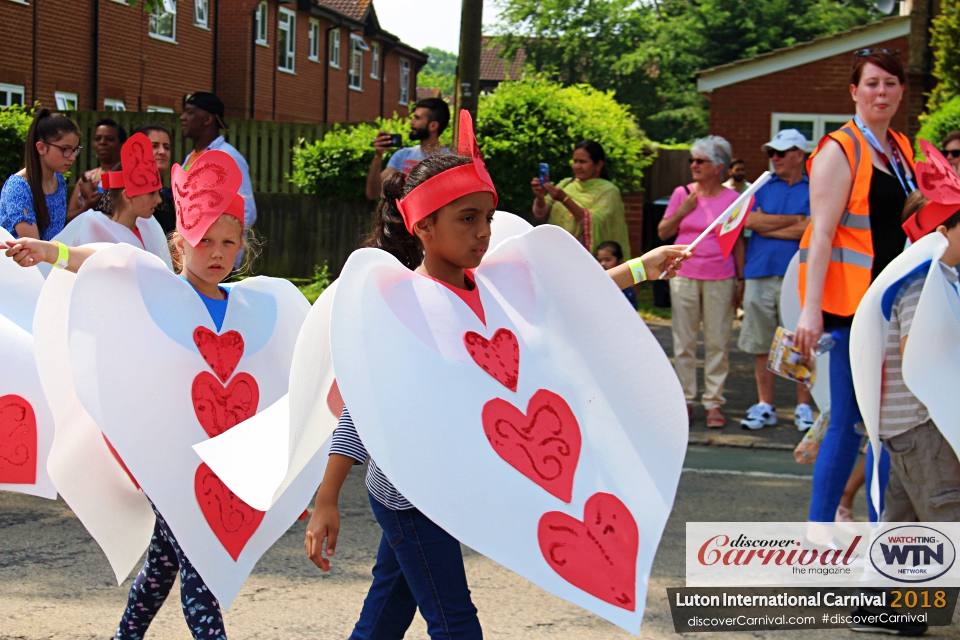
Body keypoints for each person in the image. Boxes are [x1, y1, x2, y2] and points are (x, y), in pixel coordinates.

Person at [304, 113, 689, 639]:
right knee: (456, 624)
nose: (484, 232)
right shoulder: (401, 303)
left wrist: (644, 265)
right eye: (467, 219)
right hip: (408, 492)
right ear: (423, 226)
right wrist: (327, 497)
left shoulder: (493, 289)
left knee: (387, 615)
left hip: (451, 484)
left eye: (487, 216)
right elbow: (363, 404)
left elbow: (573, 297)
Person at [2, 151, 278, 640]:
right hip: (165, 457)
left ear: (242, 247)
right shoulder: (160, 288)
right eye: (204, 240)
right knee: (200, 563)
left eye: (228, 243)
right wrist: (48, 252)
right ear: (179, 245)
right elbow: (107, 263)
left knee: (163, 565)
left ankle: (125, 635)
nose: (216, 252)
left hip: (216, 462)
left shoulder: (249, 307)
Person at [794, 50, 915, 526]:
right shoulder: (838, 149)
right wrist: (810, 310)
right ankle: (819, 531)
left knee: (885, 427)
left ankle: (878, 532)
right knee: (846, 423)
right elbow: (820, 234)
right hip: (851, 308)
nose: (880, 92)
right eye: (871, 84)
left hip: (896, 306)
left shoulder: (902, 147)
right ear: (854, 92)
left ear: (901, 90)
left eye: (889, 83)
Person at [657, 136, 744, 427]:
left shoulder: (733, 199)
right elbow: (662, 232)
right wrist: (683, 211)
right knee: (684, 341)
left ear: (719, 166)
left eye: (700, 161)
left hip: (721, 275)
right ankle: (685, 400)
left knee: (718, 342)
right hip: (683, 274)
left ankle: (713, 403)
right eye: (692, 160)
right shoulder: (682, 193)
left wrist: (741, 279)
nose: (693, 165)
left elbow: (738, 241)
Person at [739, 129, 814, 431]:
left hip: (799, 274)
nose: (775, 158)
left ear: (799, 155)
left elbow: (811, 229)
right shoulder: (762, 185)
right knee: (762, 343)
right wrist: (795, 220)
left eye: (781, 153)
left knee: (801, 342)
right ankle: (765, 404)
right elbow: (749, 221)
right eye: (772, 153)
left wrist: (768, 225)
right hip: (758, 271)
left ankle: (804, 407)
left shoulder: (815, 186)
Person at [530, 140, 631, 258]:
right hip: (557, 253)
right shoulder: (566, 184)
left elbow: (594, 221)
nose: (577, 166)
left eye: (582, 162)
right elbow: (542, 213)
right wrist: (540, 197)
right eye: (575, 161)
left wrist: (565, 199)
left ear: (598, 165)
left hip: (585, 258)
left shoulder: (609, 191)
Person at [180, 92, 256, 233]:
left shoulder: (227, 156)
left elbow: (246, 212)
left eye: (189, 112)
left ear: (208, 119)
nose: (182, 117)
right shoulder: (190, 157)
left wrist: (227, 251)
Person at [0, 109, 80, 241]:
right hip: (19, 261)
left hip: (50, 258)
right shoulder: (17, 187)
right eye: (65, 149)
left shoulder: (59, 180)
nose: (72, 157)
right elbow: (33, 246)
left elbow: (57, 237)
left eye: (75, 150)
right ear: (41, 148)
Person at [365, 97, 451, 200]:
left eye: (417, 118)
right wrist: (377, 156)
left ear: (433, 126)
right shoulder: (402, 155)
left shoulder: (449, 162)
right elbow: (373, 193)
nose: (411, 122)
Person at [68, 118, 126, 218]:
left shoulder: (125, 177)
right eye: (97, 139)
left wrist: (92, 199)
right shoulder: (87, 178)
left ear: (121, 145)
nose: (102, 142)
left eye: (110, 139)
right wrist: (87, 206)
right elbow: (69, 218)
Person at [134, 123, 176, 235]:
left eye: (166, 147)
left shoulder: (169, 198)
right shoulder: (122, 194)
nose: (162, 152)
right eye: (154, 146)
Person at [597, 240, 638, 309]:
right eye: (599, 260)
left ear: (619, 261)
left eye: (607, 260)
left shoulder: (625, 284)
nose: (602, 264)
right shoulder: (597, 281)